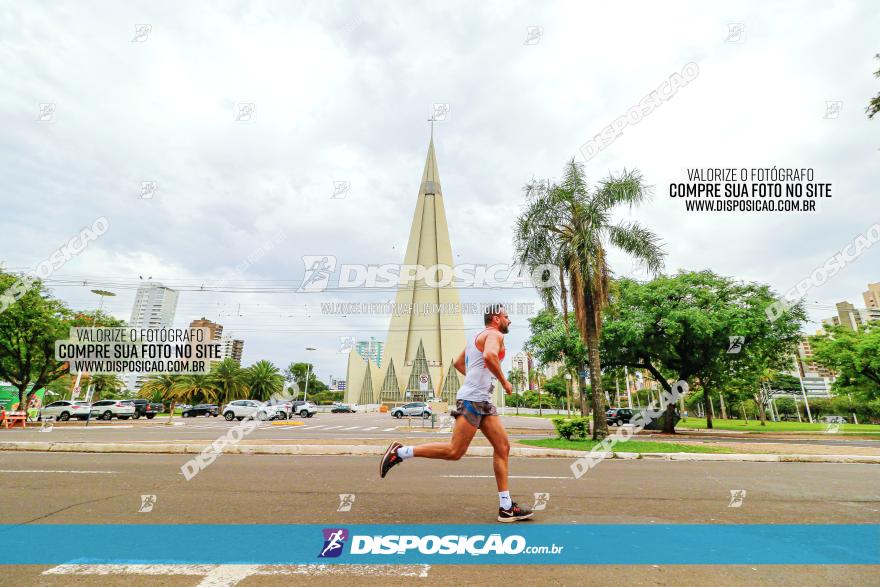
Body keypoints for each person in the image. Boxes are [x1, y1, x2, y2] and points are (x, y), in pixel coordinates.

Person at [380, 304, 533, 522]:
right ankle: (400, 452)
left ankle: (506, 507)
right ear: (496, 318)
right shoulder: (494, 334)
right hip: (472, 401)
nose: (509, 321)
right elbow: (490, 356)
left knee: (503, 447)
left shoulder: (475, 337)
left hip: (483, 402)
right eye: (507, 317)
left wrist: (477, 378)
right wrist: (504, 381)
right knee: (454, 451)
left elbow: (459, 363)